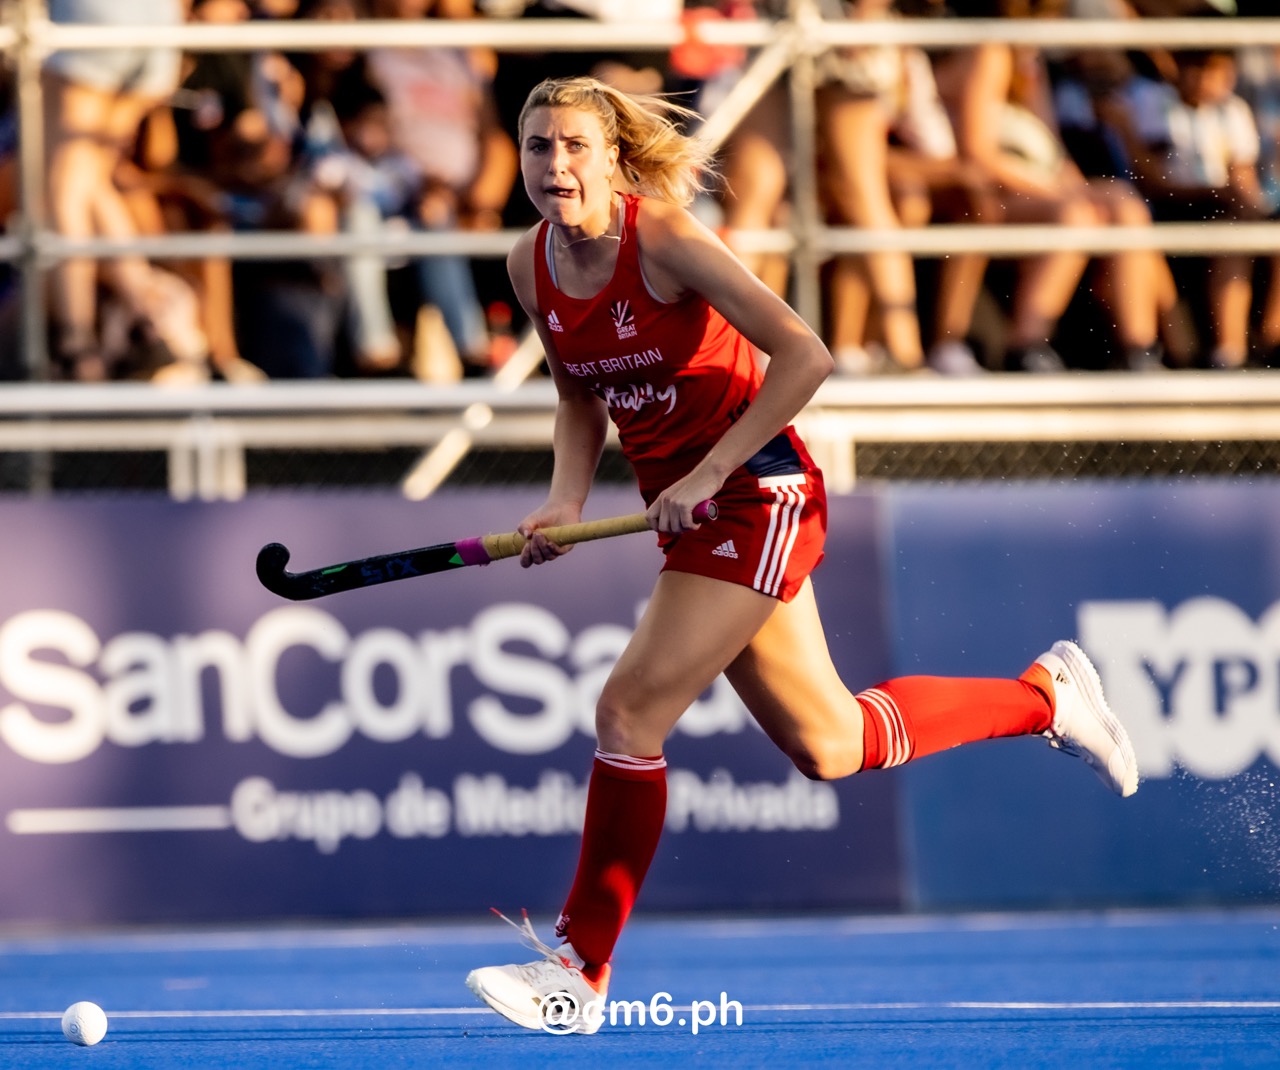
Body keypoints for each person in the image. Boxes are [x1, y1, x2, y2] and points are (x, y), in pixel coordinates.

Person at [463, 75, 1140, 1035]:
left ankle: (579, 970)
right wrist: (564, 499)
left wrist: (707, 472)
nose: (555, 166)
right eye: (539, 148)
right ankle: (1048, 699)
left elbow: (805, 354)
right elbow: (579, 389)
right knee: (830, 744)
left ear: (614, 157)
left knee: (628, 707)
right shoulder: (529, 263)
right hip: (693, 508)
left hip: (758, 489)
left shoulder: (664, 238)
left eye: (575, 146)